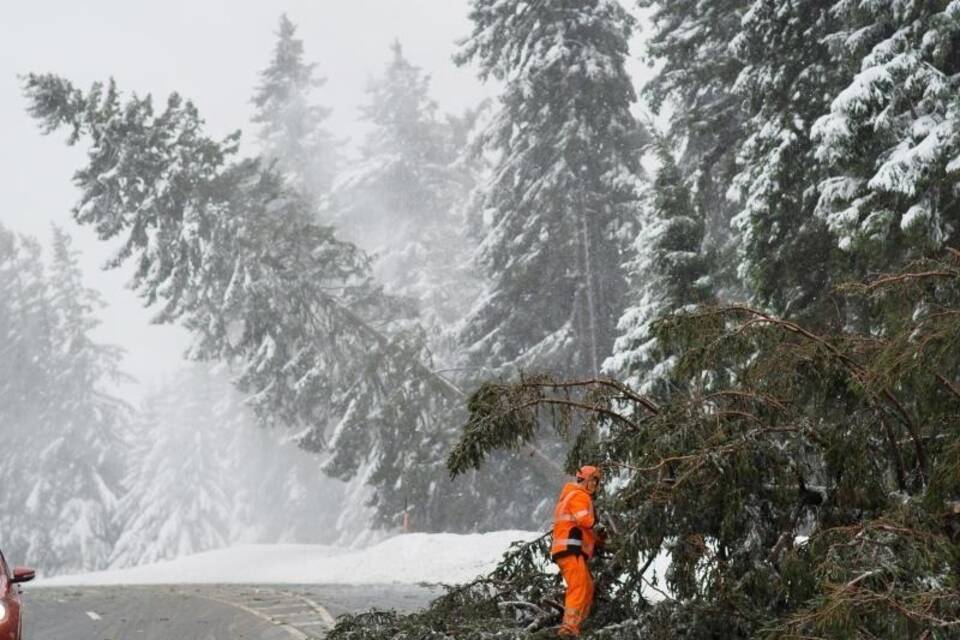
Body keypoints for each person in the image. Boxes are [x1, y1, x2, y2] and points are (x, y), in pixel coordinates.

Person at [549, 465, 603, 637]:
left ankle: (579, 625)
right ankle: (569, 628)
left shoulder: (571, 495)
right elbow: (584, 519)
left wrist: (599, 539)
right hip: (570, 549)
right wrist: (598, 526)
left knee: (587, 586)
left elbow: (584, 528)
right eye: (594, 481)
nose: (595, 486)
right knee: (578, 586)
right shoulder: (578, 495)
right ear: (586, 480)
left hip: (570, 549)